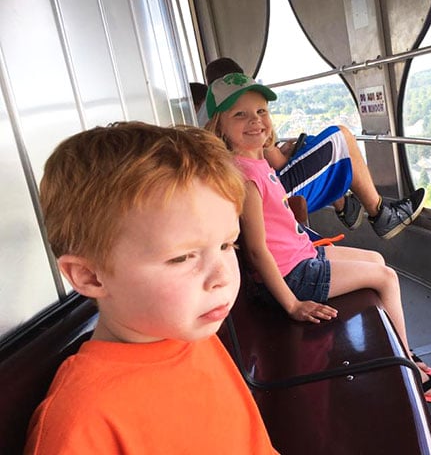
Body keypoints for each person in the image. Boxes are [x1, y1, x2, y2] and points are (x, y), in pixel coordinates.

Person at [24, 122, 278, 454]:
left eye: (228, 245)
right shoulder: (82, 419)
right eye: (183, 257)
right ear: (89, 277)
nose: (222, 276)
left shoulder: (196, 337)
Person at [204, 72, 431, 404]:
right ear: (220, 126)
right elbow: (258, 250)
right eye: (240, 115)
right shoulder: (245, 178)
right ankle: (406, 364)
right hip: (294, 275)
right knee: (387, 278)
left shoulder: (255, 161)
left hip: (302, 255)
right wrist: (292, 304)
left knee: (376, 260)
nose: (255, 121)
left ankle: (399, 345)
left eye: (261, 111)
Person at [203, 57, 426, 240]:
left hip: (258, 193)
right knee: (341, 138)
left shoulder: (211, 120)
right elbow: (277, 163)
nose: (253, 116)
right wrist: (286, 153)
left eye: (260, 111)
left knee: (311, 148)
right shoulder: (228, 120)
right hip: (268, 198)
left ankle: (346, 206)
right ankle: (381, 215)